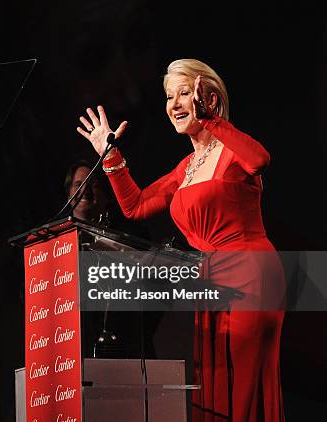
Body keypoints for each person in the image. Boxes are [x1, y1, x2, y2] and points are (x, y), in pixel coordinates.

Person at [76, 59, 285, 421]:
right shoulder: (186, 168)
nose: (173, 103)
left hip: (252, 275)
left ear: (210, 99)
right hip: (211, 281)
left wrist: (214, 123)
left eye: (184, 93)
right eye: (169, 95)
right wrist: (110, 154)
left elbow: (261, 159)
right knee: (217, 385)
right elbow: (136, 206)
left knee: (245, 385)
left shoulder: (232, 150)